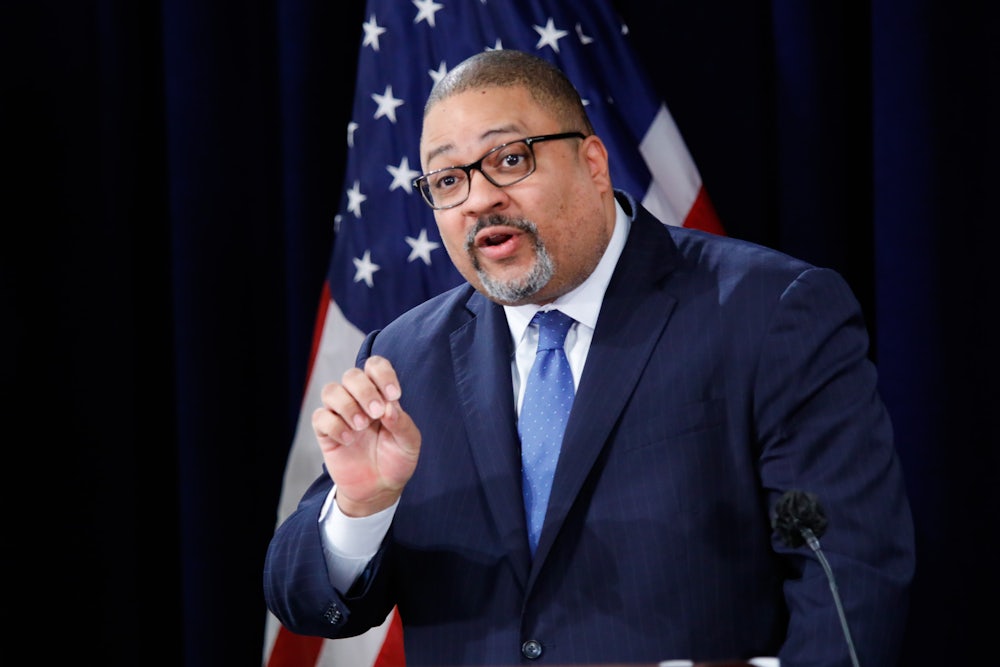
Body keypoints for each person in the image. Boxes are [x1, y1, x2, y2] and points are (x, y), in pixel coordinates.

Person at [264, 49, 914, 666]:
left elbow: (851, 574)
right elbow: (303, 602)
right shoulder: (402, 360)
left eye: (510, 159)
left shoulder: (767, 311)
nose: (480, 198)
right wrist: (362, 507)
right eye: (449, 179)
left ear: (594, 164)